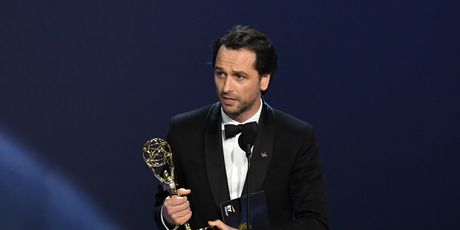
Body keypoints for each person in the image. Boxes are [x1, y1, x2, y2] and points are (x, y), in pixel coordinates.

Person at [154, 25, 329, 230]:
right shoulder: (183, 130)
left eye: (239, 76)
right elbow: (162, 206)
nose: (226, 87)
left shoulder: (295, 137)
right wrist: (168, 215)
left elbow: (315, 223)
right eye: (220, 74)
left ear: (264, 79)